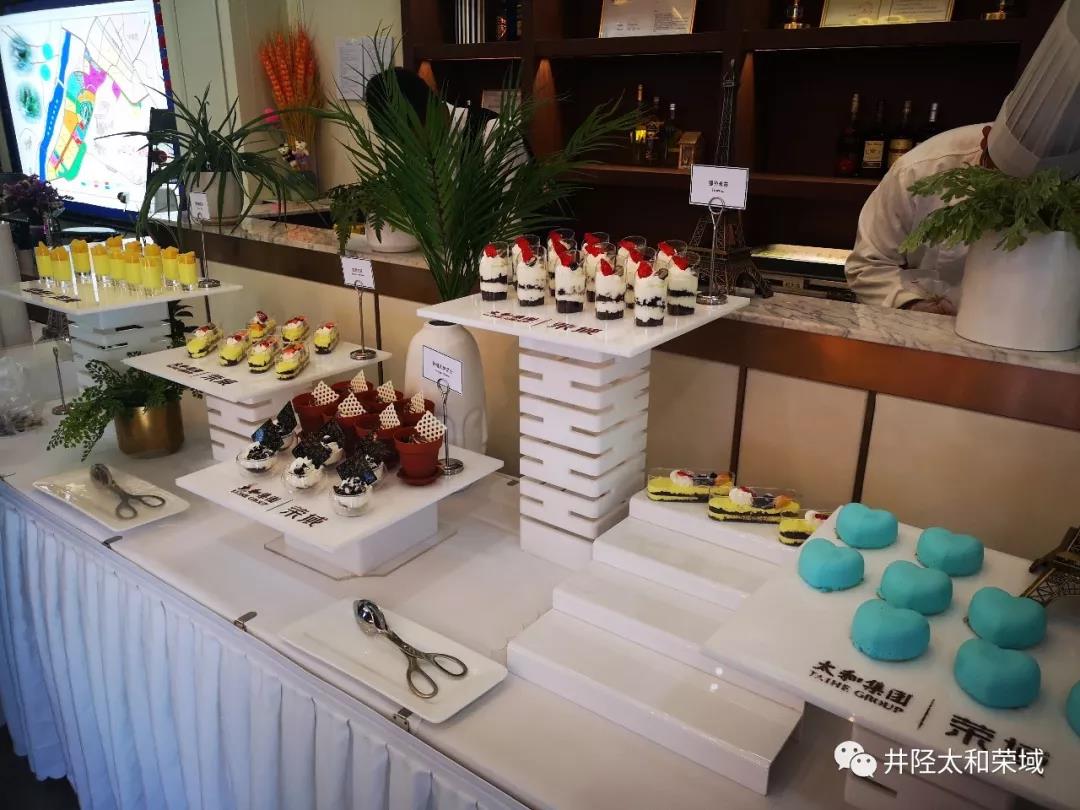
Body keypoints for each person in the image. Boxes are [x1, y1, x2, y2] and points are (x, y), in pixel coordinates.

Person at [846, 0, 1080, 313]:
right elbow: (867, 266)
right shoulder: (922, 168)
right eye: (999, 175)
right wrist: (914, 305)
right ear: (985, 139)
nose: (1011, 194)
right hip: (922, 327)